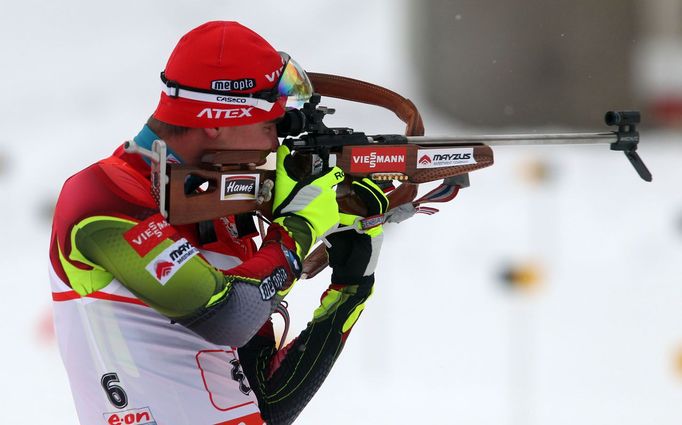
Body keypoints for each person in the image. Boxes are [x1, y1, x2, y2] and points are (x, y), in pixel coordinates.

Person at [49, 21, 387, 425]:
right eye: (268, 126)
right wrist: (297, 229)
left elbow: (269, 403)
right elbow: (228, 316)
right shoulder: (100, 196)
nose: (273, 144)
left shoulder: (225, 216)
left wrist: (351, 286)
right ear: (215, 119)